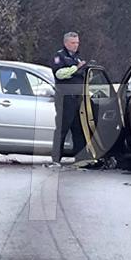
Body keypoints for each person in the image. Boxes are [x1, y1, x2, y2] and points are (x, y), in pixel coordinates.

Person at [50, 31, 87, 165]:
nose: (76, 45)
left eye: (77, 42)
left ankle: (81, 159)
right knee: (62, 128)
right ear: (66, 43)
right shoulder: (59, 56)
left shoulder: (78, 57)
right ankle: (56, 159)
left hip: (77, 98)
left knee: (78, 129)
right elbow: (59, 74)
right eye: (73, 43)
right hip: (65, 98)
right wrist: (75, 69)